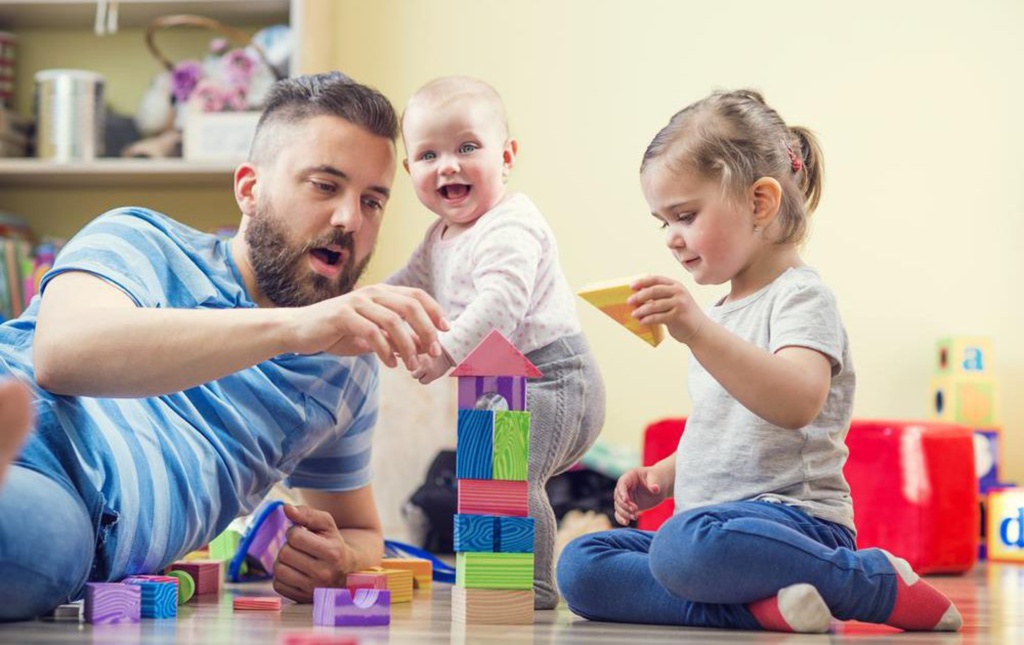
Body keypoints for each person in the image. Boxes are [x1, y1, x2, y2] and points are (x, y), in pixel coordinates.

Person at [0, 71, 449, 621]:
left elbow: (362, 531)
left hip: (75, 514)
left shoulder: (343, 369)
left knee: (31, 548)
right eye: (325, 185)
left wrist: (341, 559)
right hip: (24, 414)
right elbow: (62, 355)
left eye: (373, 201)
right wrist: (292, 327)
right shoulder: (141, 238)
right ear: (249, 189)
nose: (348, 219)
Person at [556, 90, 962, 633]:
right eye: (663, 223)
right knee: (582, 566)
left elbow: (796, 402)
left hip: (796, 527)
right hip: (714, 527)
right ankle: (763, 611)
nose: (673, 239)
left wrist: (697, 330)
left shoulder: (800, 298)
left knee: (682, 549)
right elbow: (723, 424)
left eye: (685, 215)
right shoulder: (720, 313)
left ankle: (866, 581)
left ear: (760, 203)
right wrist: (664, 476)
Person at [386, 76, 605, 609]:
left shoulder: (511, 224)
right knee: (480, 479)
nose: (449, 165)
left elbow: (500, 304)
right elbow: (402, 288)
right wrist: (358, 309)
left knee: (512, 475)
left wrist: (443, 350)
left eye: (467, 147)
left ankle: (531, 585)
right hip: (496, 380)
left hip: (555, 377)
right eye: (428, 154)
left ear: (505, 156)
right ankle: (489, 578)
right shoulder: (439, 238)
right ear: (409, 169)